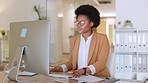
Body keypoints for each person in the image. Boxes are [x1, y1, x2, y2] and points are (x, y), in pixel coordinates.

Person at [50, 4, 110, 78]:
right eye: (77, 22)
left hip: (98, 77)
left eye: (82, 22)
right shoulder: (73, 40)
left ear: (91, 23)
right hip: (79, 78)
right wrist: (59, 68)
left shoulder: (102, 39)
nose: (78, 25)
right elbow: (72, 63)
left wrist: (83, 70)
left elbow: (101, 63)